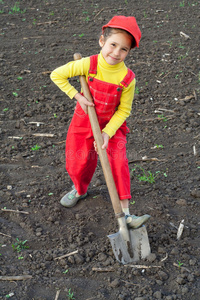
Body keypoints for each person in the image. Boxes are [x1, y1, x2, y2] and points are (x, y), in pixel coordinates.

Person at [50, 15, 150, 229]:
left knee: (119, 163)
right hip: (83, 122)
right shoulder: (89, 64)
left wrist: (107, 133)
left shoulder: (127, 78)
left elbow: (124, 110)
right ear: (102, 41)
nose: (116, 53)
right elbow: (57, 75)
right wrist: (77, 96)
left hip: (112, 126)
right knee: (78, 162)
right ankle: (80, 188)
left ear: (129, 52)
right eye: (113, 45)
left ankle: (126, 214)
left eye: (124, 49)